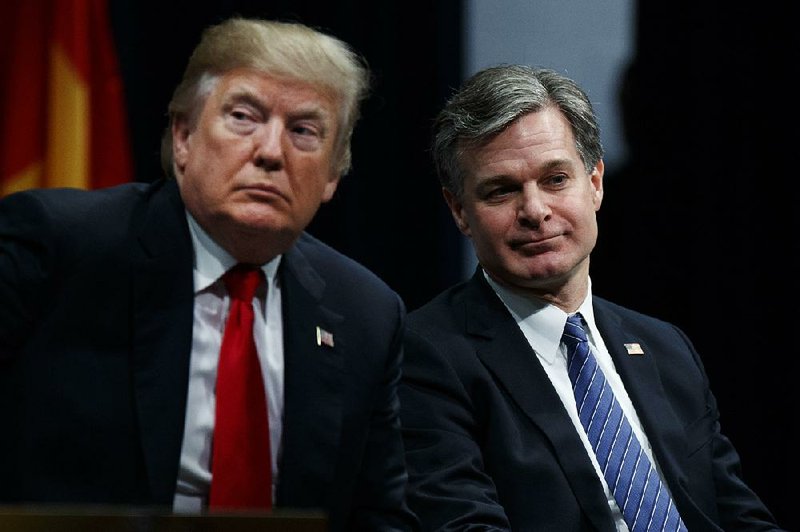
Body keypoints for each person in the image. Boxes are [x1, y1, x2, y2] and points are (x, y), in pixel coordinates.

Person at [0, 17, 418, 531]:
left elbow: (379, 516)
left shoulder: (366, 313)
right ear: (183, 137)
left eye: (304, 131)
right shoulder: (62, 248)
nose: (270, 152)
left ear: (333, 175)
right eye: (244, 117)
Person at [398, 64, 783, 531]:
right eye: (501, 191)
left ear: (595, 182)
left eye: (555, 179)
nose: (535, 211)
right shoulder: (428, 356)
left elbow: (739, 516)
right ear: (459, 210)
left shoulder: (666, 349)